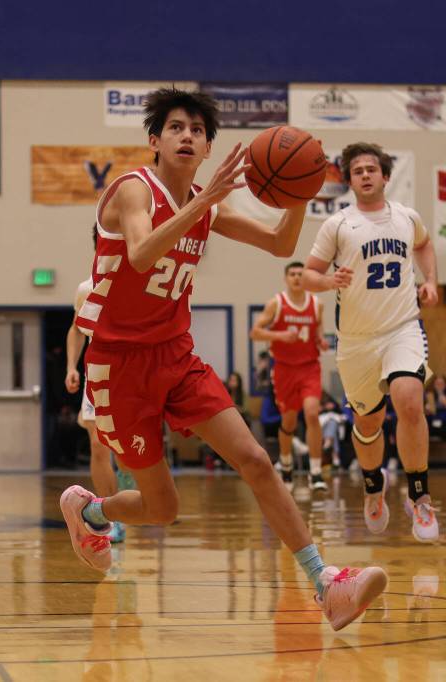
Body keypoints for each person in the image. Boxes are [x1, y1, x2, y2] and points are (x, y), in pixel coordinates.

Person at [61, 87, 386, 630]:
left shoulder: (206, 205)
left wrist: (302, 188)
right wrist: (205, 201)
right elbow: (140, 255)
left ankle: (325, 584)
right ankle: (90, 510)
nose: (187, 135)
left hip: (176, 355)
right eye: (176, 128)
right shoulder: (131, 191)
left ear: (209, 147)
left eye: (197, 130)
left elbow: (280, 245)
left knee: (257, 460)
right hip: (119, 366)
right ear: (154, 141)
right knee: (162, 508)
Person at [303, 141, 440, 543]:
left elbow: (425, 245)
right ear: (349, 179)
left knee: (410, 400)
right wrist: (329, 280)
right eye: (357, 170)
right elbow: (309, 273)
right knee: (368, 422)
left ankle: (420, 497)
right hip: (357, 341)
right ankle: (372, 484)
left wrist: (429, 280)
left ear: (384, 176)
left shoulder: (407, 217)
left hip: (402, 328)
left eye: (371, 169)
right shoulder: (338, 225)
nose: (365, 175)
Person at [65, 263, 136, 542]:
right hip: (96, 375)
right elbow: (77, 329)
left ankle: (127, 477)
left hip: (129, 374)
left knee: (124, 447)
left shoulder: (137, 283)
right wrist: (71, 366)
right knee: (98, 445)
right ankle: (111, 514)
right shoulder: (86, 288)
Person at [250, 261, 329, 492]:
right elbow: (254, 332)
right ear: (286, 278)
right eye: (292, 274)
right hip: (284, 369)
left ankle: (315, 472)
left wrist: (321, 341)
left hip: (309, 368)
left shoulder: (317, 304)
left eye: (300, 274)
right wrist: (282, 335)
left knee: (313, 414)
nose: (296, 277)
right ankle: (286, 465)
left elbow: (319, 333)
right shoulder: (276, 303)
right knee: (289, 421)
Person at [425, 374, 446, 440]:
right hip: (432, 419)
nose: (439, 386)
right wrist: (426, 409)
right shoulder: (429, 395)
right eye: (437, 384)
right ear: (434, 384)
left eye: (441, 384)